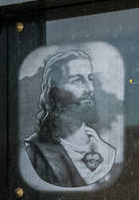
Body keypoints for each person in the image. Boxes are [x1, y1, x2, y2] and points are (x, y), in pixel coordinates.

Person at [23, 49, 117, 188]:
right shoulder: (34, 153)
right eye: (77, 80)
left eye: (90, 79)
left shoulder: (108, 152)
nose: (90, 88)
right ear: (54, 92)